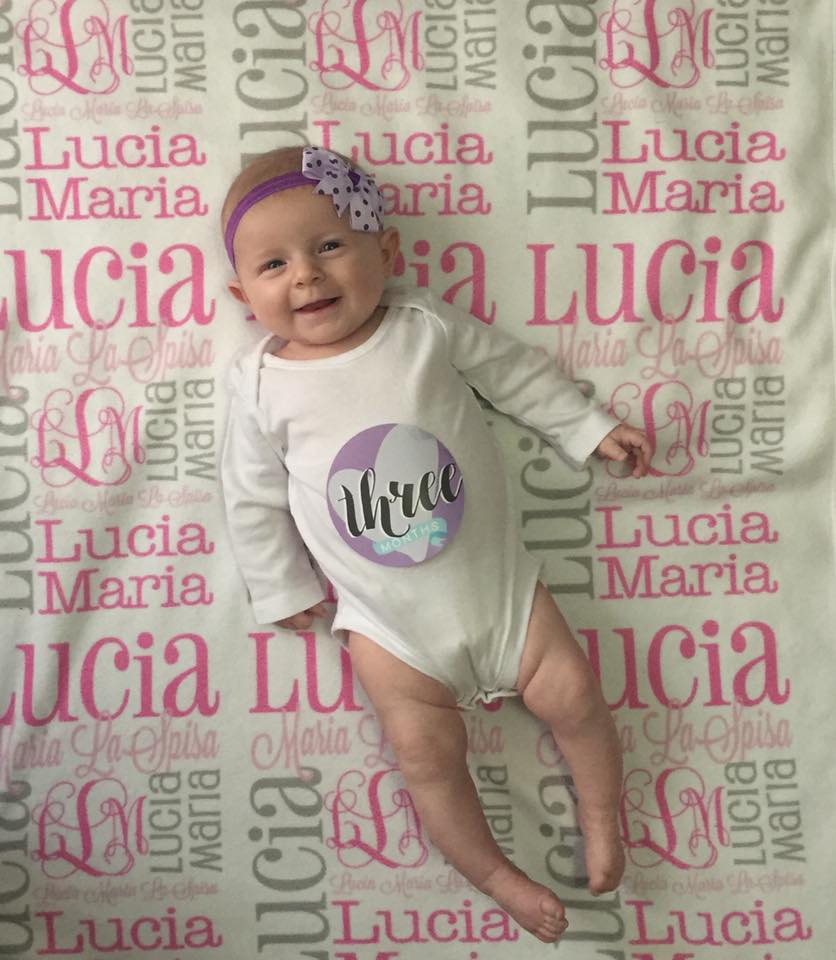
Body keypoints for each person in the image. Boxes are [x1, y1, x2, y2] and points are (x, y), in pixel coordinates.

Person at [220, 145, 651, 943]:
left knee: (576, 698)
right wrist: (280, 584)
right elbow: (251, 495)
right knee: (425, 755)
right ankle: (496, 875)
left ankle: (603, 822)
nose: (306, 275)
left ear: (386, 250)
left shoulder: (422, 326)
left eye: (329, 245)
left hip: (501, 596)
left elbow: (516, 375)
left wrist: (587, 427)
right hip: (390, 626)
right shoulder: (260, 385)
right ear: (244, 296)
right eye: (274, 264)